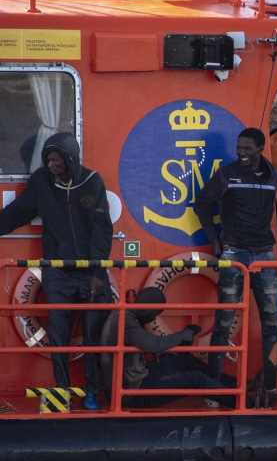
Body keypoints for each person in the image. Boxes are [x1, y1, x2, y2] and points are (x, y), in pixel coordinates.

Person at [0, 132, 112, 407]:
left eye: (57, 160)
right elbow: (17, 212)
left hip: (89, 271)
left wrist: (97, 272)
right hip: (57, 272)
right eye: (48, 159)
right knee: (59, 336)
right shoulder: (41, 183)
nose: (51, 165)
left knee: (93, 336)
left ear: (71, 159)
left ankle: (93, 391)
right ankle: (62, 391)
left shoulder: (91, 182)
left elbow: (102, 229)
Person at [195, 127, 277, 406]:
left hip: (264, 253)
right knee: (224, 322)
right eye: (239, 148)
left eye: (247, 149)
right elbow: (202, 204)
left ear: (260, 149)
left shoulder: (274, 176)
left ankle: (269, 387)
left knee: (271, 323)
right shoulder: (227, 174)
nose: (241, 153)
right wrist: (215, 239)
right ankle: (213, 390)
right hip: (233, 253)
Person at [97, 287, 233, 409]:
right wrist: (182, 335)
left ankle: (237, 385)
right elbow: (153, 345)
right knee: (197, 379)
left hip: (137, 380)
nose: (153, 319)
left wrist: (183, 337)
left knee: (185, 360)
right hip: (132, 393)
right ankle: (241, 402)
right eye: (155, 314)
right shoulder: (125, 320)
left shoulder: (125, 314)